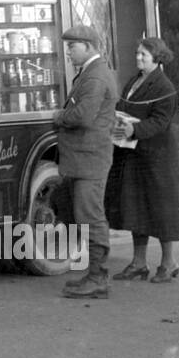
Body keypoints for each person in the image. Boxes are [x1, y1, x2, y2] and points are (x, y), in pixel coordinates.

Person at [105, 37, 179, 282]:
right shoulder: (136, 80)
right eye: (138, 53)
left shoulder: (164, 86)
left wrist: (133, 130)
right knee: (135, 210)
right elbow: (125, 105)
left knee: (161, 211)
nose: (138, 58)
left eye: (144, 55)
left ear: (157, 58)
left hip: (157, 158)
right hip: (135, 156)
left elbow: (161, 121)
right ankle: (138, 263)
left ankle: (168, 263)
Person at [52, 24, 117, 299]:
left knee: (91, 217)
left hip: (89, 159)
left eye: (72, 47)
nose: (68, 52)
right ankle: (94, 274)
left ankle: (98, 277)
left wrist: (58, 117)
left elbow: (83, 116)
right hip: (86, 158)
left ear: (88, 46)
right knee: (84, 215)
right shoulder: (92, 72)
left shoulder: (94, 76)